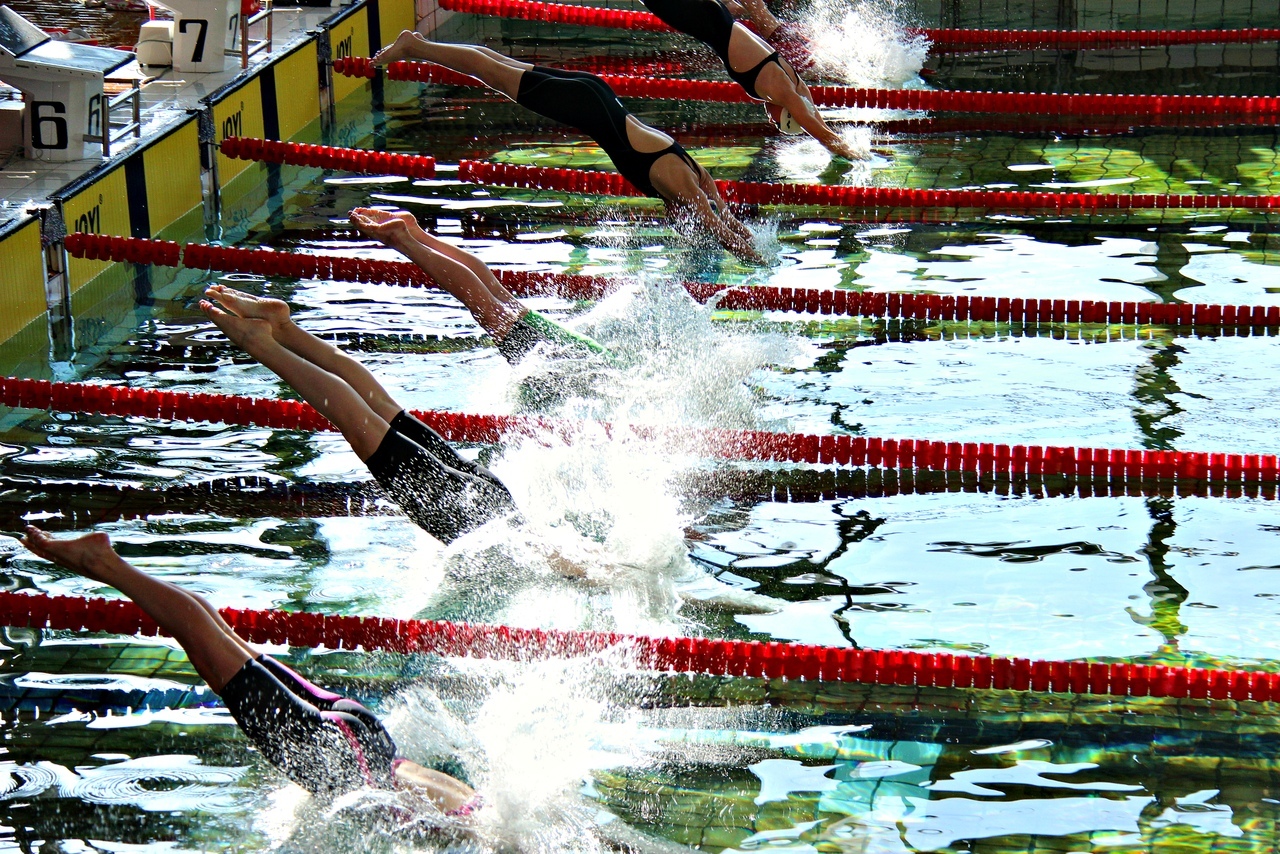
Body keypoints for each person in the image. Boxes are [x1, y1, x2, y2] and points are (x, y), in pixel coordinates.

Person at [19, 525, 479, 811]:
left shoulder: (486, 810)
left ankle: (110, 562)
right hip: (339, 760)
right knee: (210, 650)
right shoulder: (497, 840)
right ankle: (105, 563)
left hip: (370, 742)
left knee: (220, 640)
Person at [371, 32, 762, 264]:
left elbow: (715, 201)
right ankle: (414, 46)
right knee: (492, 72)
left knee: (499, 68)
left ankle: (420, 44)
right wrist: (755, 259)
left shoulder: (691, 178)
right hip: (585, 104)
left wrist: (736, 227)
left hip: (594, 95)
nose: (676, 224)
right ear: (684, 214)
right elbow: (715, 224)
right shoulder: (680, 186)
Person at [199, 283, 518, 546]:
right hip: (470, 516)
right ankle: (262, 344)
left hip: (495, 503)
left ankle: (284, 329)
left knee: (381, 408)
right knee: (360, 424)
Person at [349, 207, 607, 365]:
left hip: (581, 348)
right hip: (574, 361)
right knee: (490, 311)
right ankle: (405, 240)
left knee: (498, 298)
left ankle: (416, 235)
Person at [635, 0, 854, 157]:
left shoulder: (794, 82)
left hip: (716, 16)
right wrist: (837, 145)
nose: (771, 120)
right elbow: (807, 116)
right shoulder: (778, 90)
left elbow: (806, 105)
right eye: (778, 122)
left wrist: (829, 134)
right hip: (709, 21)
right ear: (788, 112)